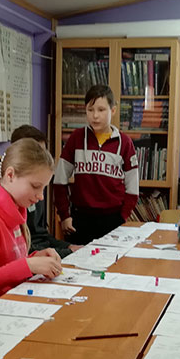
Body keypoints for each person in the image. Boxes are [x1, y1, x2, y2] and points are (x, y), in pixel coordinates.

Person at [0, 139, 63, 314]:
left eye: (43, 188)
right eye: (36, 186)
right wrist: (28, 266)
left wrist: (36, 258)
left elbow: (5, 264)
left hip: (14, 305)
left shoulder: (15, 209)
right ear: (10, 175)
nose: (41, 196)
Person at [53, 84, 139, 245]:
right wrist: (64, 215)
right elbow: (59, 180)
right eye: (90, 110)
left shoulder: (125, 143)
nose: (95, 116)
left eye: (101, 110)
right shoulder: (76, 138)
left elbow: (133, 189)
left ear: (113, 110)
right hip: (80, 219)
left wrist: (122, 217)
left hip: (113, 219)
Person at [10, 125, 81, 258]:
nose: (41, 196)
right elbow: (22, 249)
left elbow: (41, 235)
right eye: (37, 154)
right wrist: (66, 252)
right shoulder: (13, 196)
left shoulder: (36, 190)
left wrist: (68, 247)